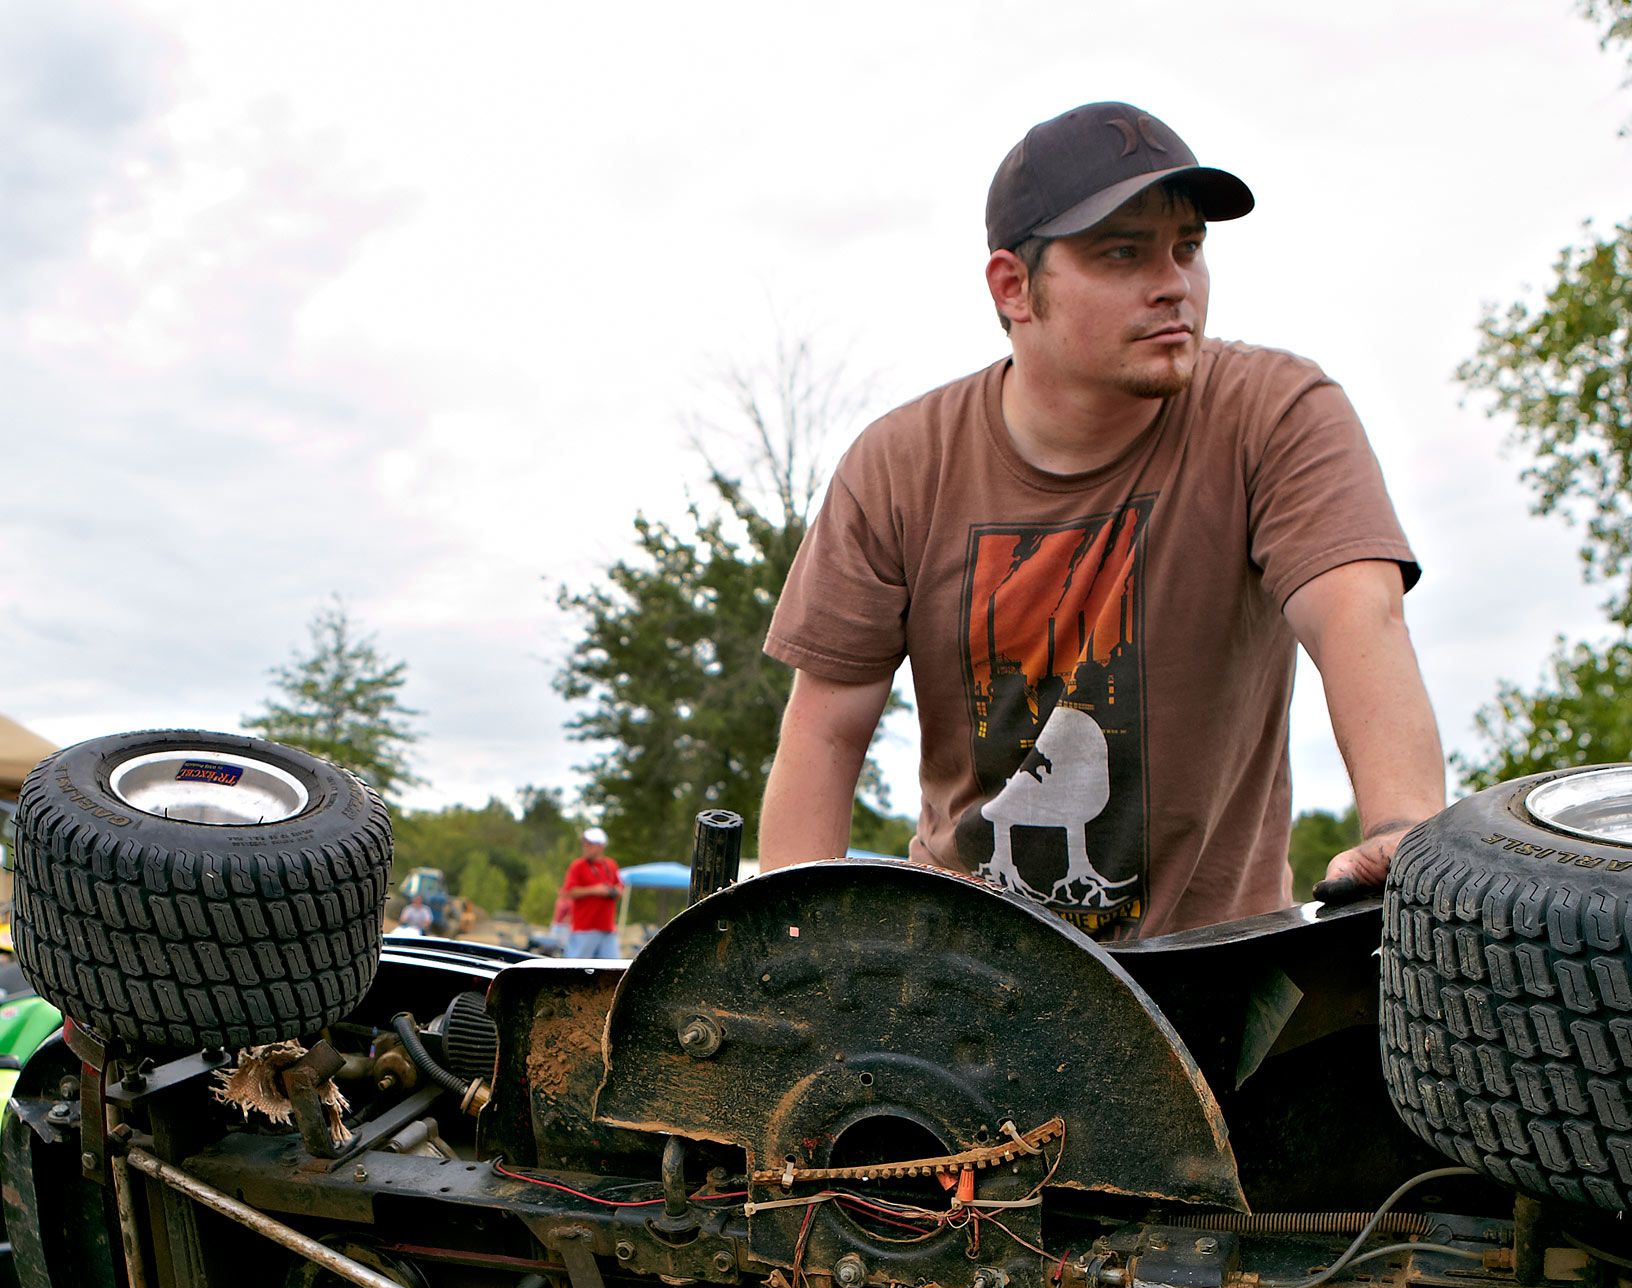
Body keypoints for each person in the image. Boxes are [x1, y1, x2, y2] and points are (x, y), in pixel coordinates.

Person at [757, 99, 1444, 940]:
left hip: (1218, 970)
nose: (1174, 285)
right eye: (1123, 253)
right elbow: (825, 733)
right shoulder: (901, 465)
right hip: (961, 969)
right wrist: (791, 961)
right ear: (1014, 288)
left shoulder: (1275, 413)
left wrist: (1402, 832)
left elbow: (1357, 615)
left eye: (1187, 248)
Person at [561, 827, 623, 960]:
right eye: (584, 844)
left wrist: (615, 891)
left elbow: (619, 890)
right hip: (584, 928)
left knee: (613, 971)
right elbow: (568, 892)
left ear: (600, 846)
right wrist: (595, 890)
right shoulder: (578, 866)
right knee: (576, 970)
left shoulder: (611, 865)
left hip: (607, 929)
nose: (585, 847)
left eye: (590, 844)